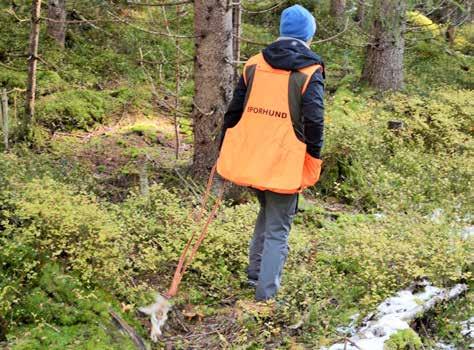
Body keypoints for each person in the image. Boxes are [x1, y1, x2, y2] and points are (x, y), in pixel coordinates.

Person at [217, 4, 325, 301]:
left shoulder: (254, 63)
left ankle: (255, 276)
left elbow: (234, 112)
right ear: (308, 35)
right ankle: (265, 297)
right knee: (278, 227)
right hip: (285, 162)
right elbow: (314, 121)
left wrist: (223, 147)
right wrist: (313, 159)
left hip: (254, 159)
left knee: (267, 213)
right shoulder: (310, 70)